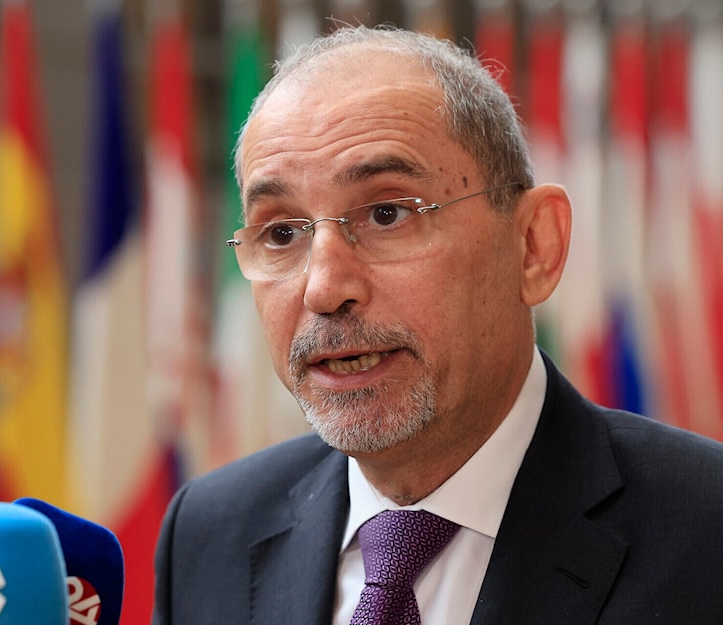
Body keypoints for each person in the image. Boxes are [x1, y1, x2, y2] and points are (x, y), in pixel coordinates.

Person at [152, 24, 723, 625]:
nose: (323, 288)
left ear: (533, 246)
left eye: (387, 213)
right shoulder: (207, 533)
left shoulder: (706, 534)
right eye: (282, 233)